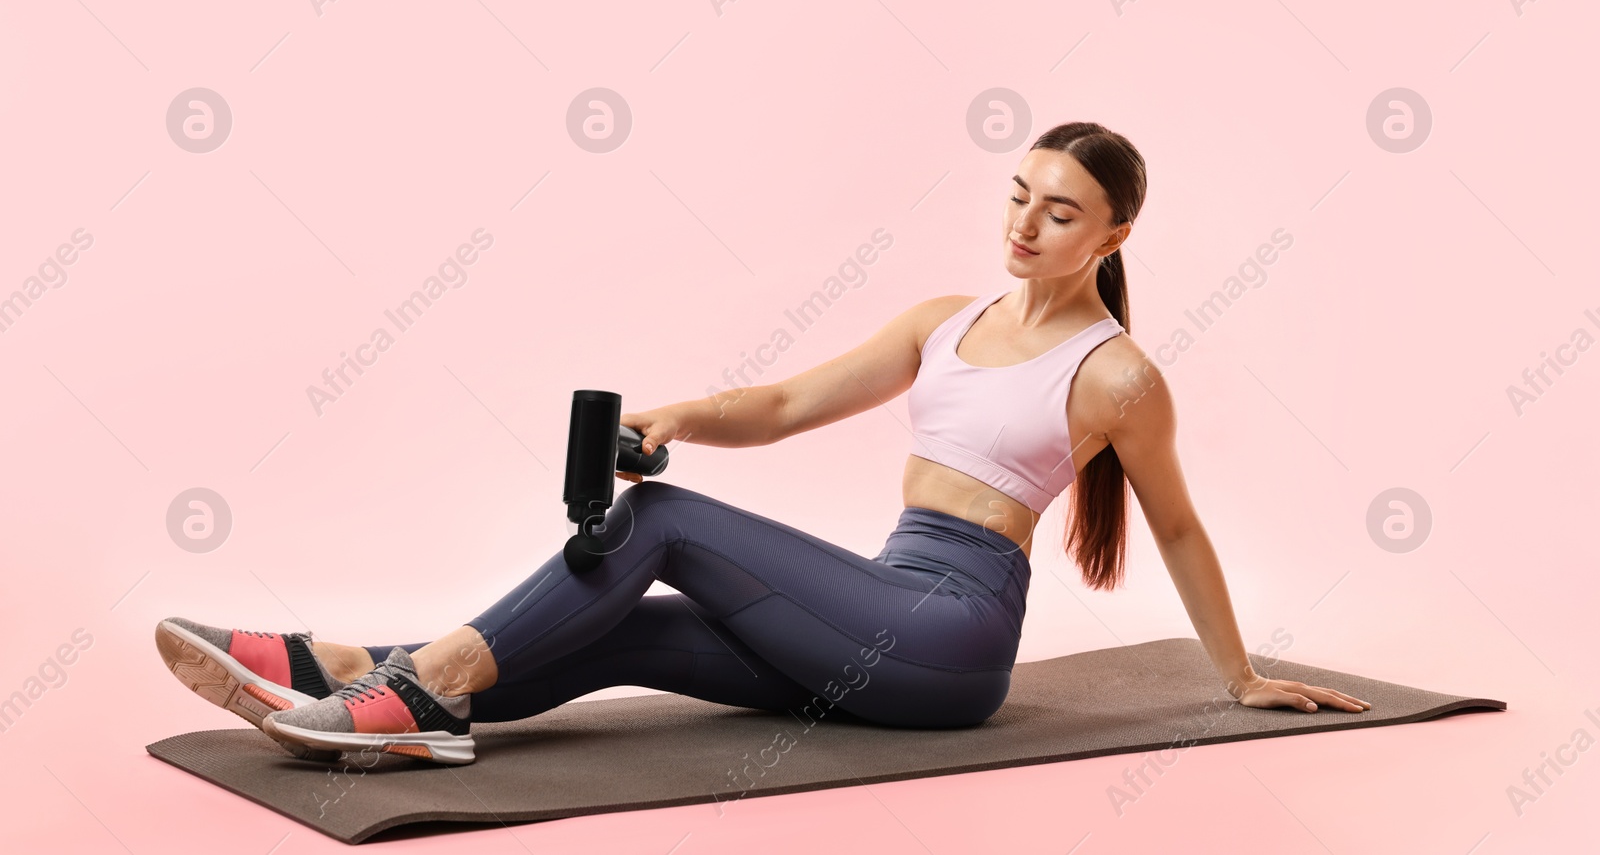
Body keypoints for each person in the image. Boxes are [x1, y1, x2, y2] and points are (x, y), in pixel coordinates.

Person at [155, 121, 1369, 765]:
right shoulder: (944, 322)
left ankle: (412, 687)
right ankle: (340, 666)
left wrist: (1240, 673)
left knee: (666, 524)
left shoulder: (1115, 372)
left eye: (1060, 210)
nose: (1025, 222)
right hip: (881, 605)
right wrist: (677, 413)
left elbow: (1174, 522)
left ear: (1113, 232)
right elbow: (787, 405)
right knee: (617, 625)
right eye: (1016, 193)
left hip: (950, 646)